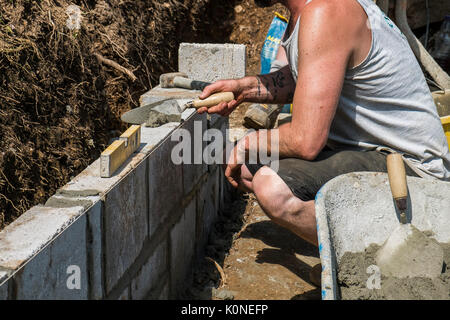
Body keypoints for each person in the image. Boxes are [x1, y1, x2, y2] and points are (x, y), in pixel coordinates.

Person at [197, 0, 450, 282]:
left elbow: (307, 141)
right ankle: (364, 236)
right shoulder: (309, 11)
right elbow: (308, 75)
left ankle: (377, 264)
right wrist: (244, 88)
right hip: (370, 152)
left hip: (410, 171)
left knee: (273, 188)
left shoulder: (326, 12)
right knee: (250, 168)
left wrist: (248, 142)